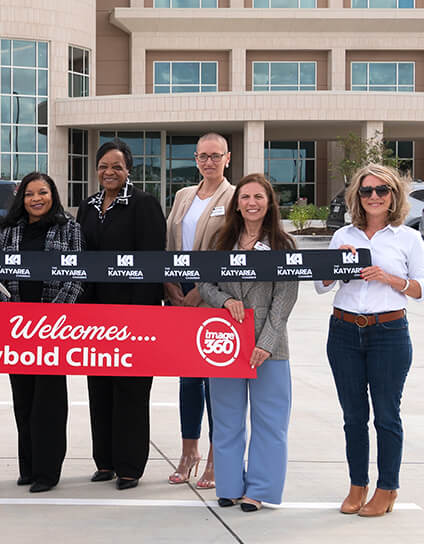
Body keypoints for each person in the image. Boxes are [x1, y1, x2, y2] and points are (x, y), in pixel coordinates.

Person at [316, 163, 424, 518]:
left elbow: (423, 289)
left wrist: (389, 278)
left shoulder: (407, 238)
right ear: (357, 197)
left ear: (394, 195)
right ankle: (357, 484)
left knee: (386, 415)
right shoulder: (343, 236)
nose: (374, 197)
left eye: (382, 190)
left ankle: (387, 488)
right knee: (353, 416)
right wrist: (337, 268)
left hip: (388, 334)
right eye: (367, 191)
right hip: (345, 331)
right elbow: (321, 286)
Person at [199, 172, 298, 512]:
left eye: (258, 197)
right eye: (245, 197)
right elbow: (206, 285)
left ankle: (259, 490)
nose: (251, 203)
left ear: (269, 204)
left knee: (269, 421)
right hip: (225, 345)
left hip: (269, 349)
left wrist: (266, 342)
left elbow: (284, 301)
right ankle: (228, 486)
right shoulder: (221, 242)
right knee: (226, 420)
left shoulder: (283, 245)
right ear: (236, 204)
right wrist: (224, 300)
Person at [78, 139, 167, 490]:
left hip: (134, 314)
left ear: (128, 169)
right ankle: (106, 461)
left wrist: (142, 316)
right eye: (103, 166)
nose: (109, 172)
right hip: (94, 315)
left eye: (116, 166)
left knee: (131, 391)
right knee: (99, 388)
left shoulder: (143, 204)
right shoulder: (87, 206)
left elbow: (152, 262)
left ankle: (129, 466)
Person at [0, 171, 83, 494]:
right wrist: (11, 314)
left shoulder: (69, 228)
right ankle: (28, 467)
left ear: (53, 195)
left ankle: (48, 472)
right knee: (24, 400)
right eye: (30, 193)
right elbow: (0, 279)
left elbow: (76, 277)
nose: (36, 199)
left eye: (43, 192)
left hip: (52, 328)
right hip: (17, 328)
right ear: (23, 198)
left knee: (49, 402)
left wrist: (51, 318)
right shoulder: (9, 231)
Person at [163, 131, 236, 489]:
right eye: (203, 156)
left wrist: (202, 290)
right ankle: (187, 450)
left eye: (215, 155)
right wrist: (170, 284)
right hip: (179, 296)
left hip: (215, 299)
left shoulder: (235, 197)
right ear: (195, 159)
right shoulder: (183, 196)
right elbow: (169, 242)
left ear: (227, 158)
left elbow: (232, 251)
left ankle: (215, 456)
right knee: (188, 380)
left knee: (215, 382)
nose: (209, 161)